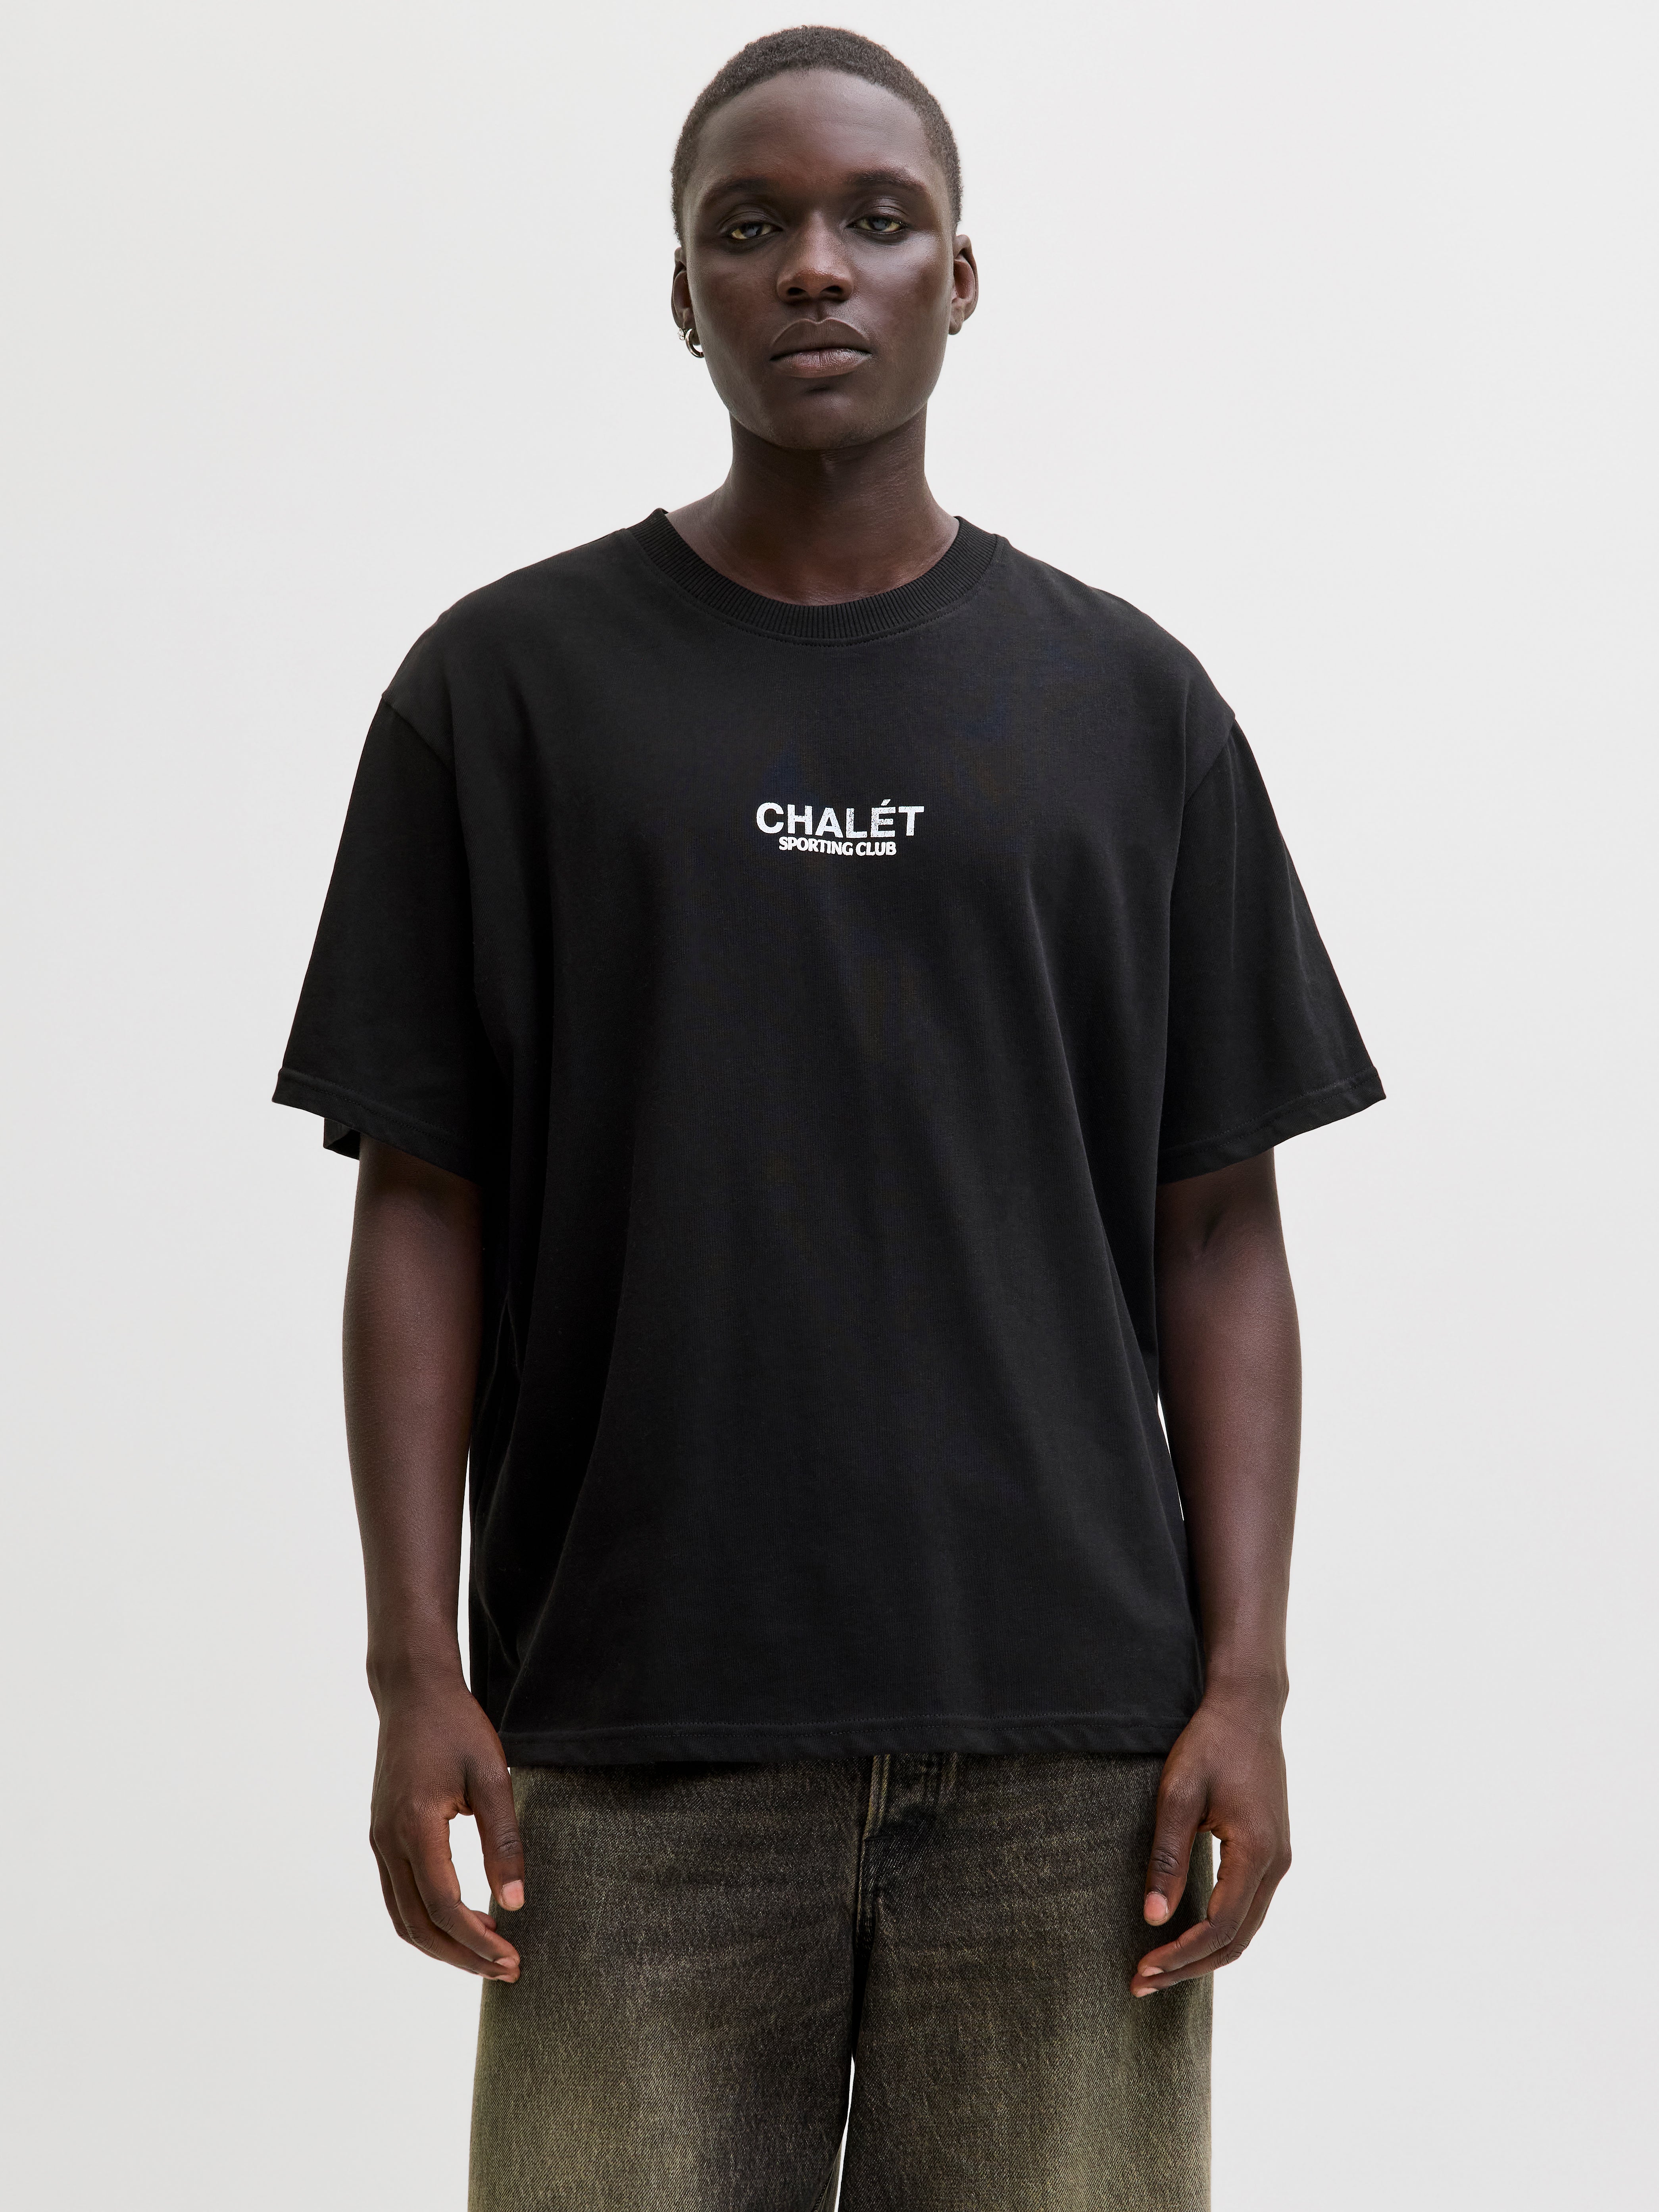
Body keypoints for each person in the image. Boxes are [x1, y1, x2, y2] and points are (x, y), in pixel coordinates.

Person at [275, 25, 1382, 2210]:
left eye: (876, 222)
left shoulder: (1128, 705)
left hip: (1068, 1751)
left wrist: (1246, 1682)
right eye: (749, 224)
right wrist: (414, 1671)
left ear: (959, 280)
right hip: (628, 1742)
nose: (812, 268)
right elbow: (421, 1199)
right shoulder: (503, 694)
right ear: (677, 289)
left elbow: (1217, 1228)